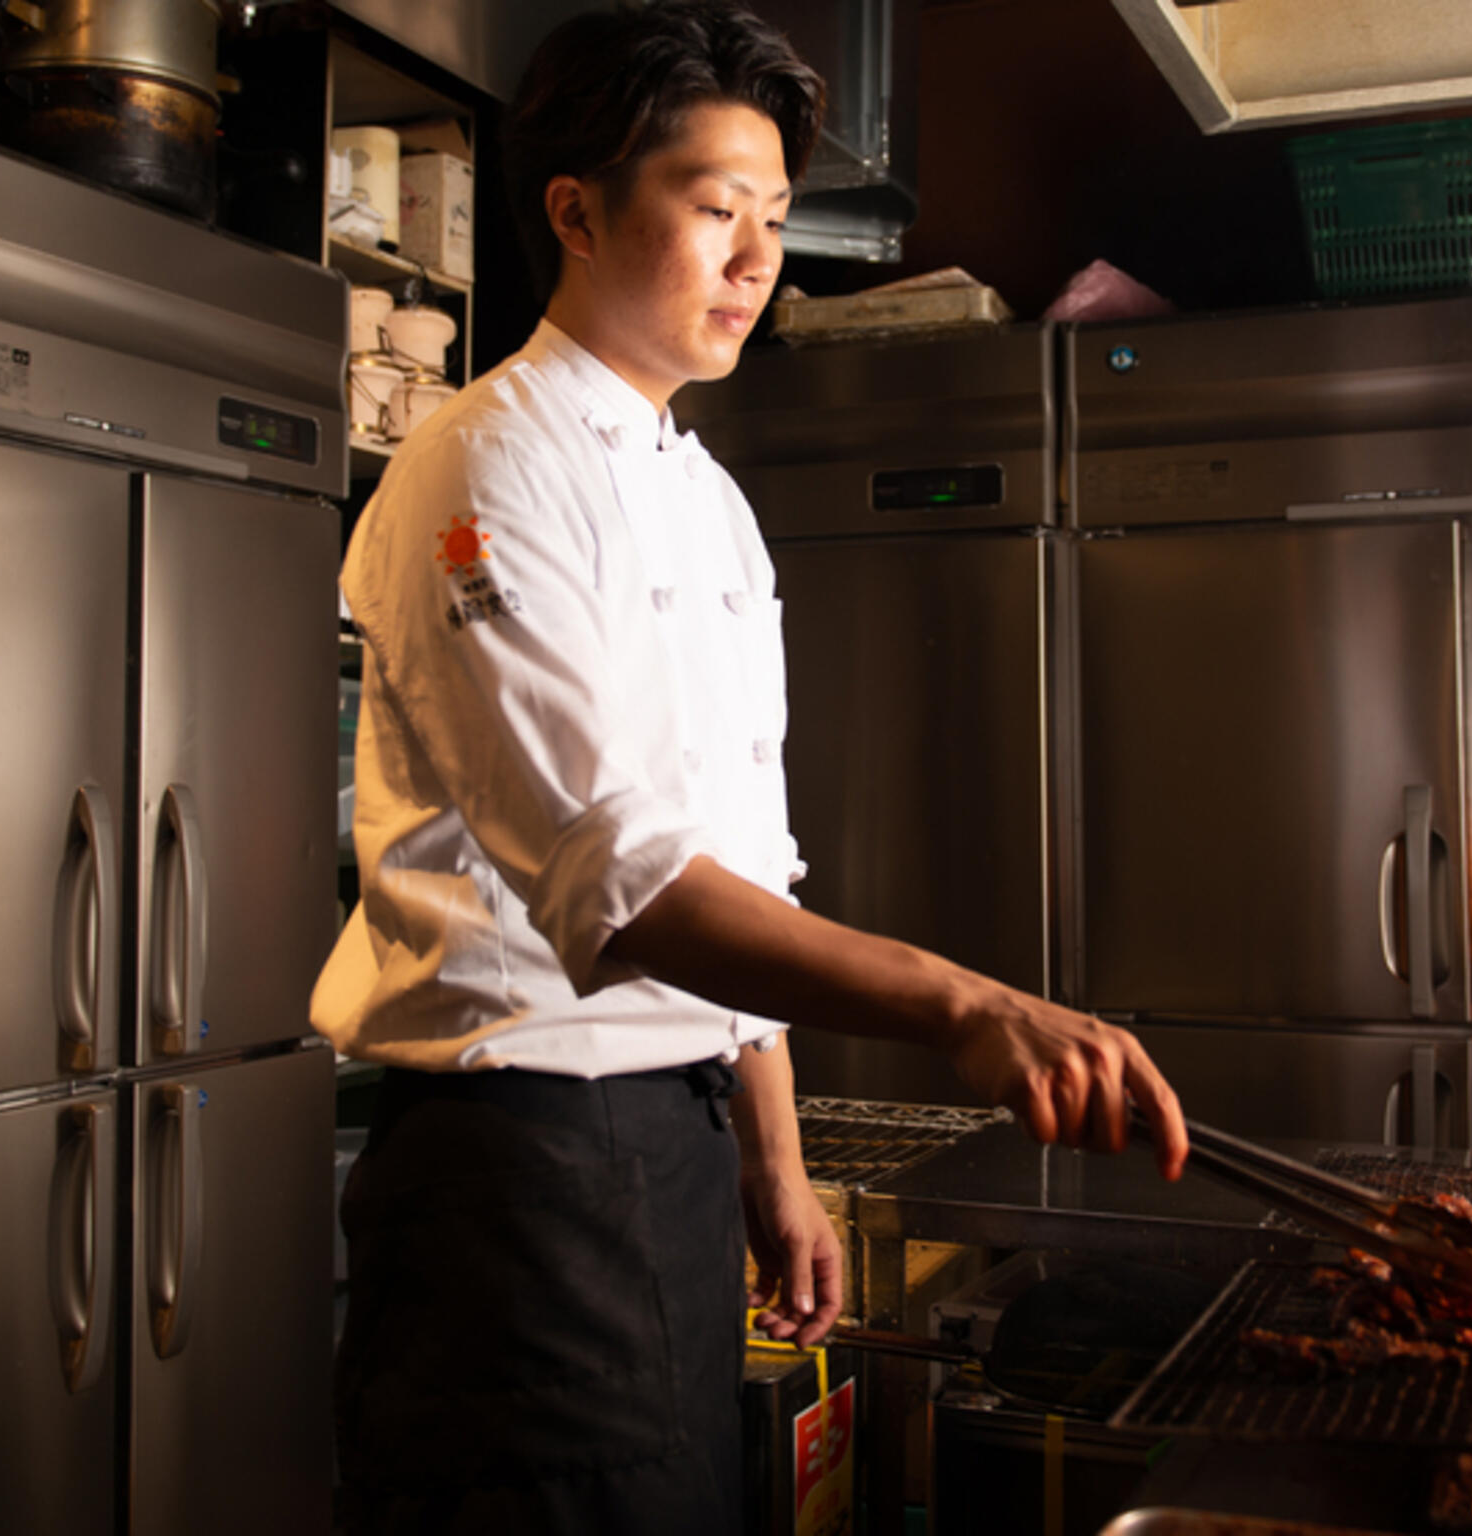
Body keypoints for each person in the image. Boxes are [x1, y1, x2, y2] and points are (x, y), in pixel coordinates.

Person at [311, 4, 1189, 1531]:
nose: (756, 259)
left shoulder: (708, 497)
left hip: (671, 1143)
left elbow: (736, 849)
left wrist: (774, 1168)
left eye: (775, 220)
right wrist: (964, 1004)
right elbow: (625, 882)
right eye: (715, 209)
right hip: (517, 1173)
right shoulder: (481, 465)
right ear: (576, 211)